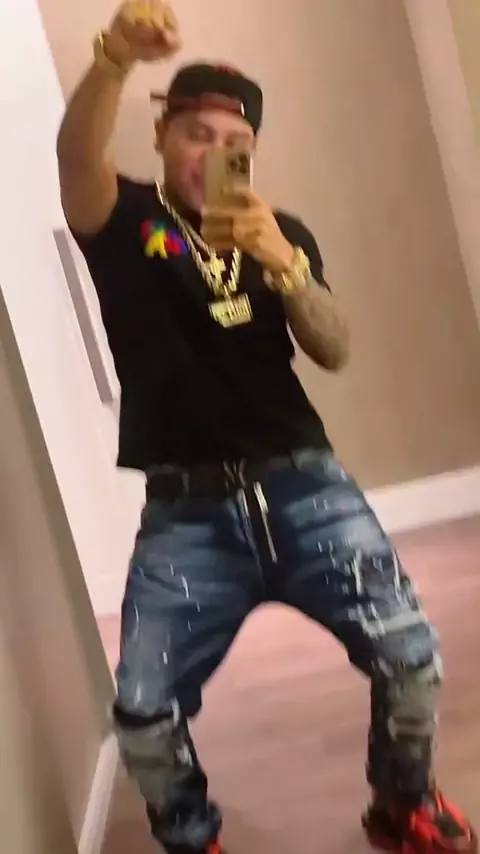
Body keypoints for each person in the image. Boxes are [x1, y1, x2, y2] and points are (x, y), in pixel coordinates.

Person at [56, 2, 476, 853]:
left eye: (231, 141)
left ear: (251, 151)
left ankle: (400, 804)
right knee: (142, 712)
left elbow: (335, 346)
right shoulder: (124, 219)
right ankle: (191, 836)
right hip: (186, 515)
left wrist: (285, 265)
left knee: (411, 658)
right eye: (193, 133)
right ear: (161, 135)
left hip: (304, 484)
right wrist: (113, 57)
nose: (210, 153)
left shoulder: (283, 234)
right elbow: (74, 159)